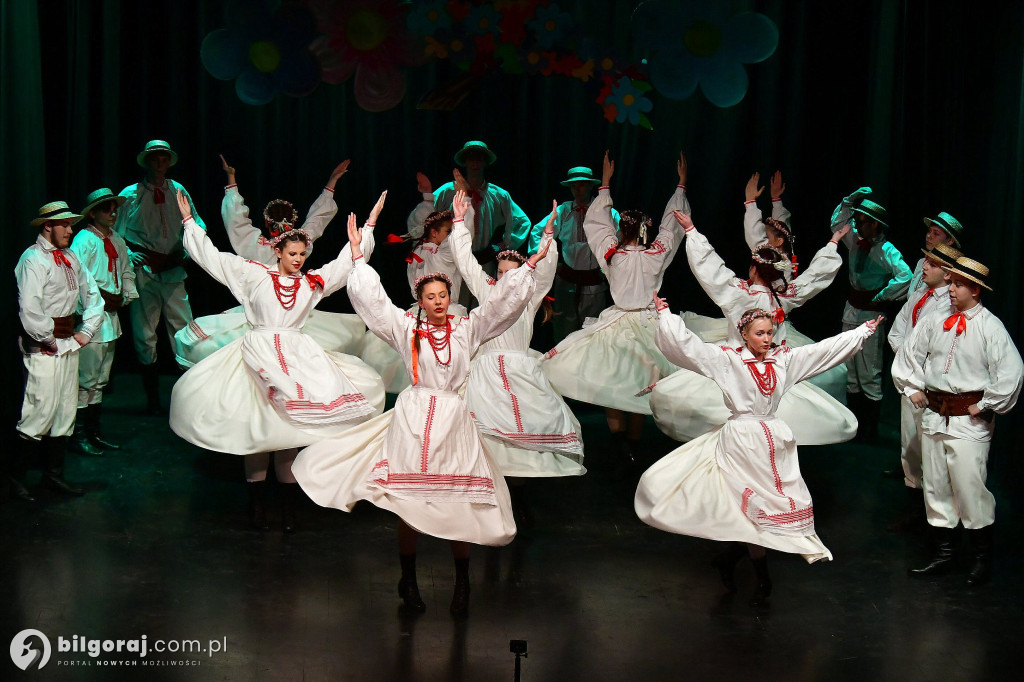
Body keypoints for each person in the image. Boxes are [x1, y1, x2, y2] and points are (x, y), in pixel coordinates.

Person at [292, 210, 550, 616]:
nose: (437, 303)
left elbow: (501, 306)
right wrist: (358, 257)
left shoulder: (467, 329)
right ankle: (408, 580)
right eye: (430, 297)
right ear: (420, 301)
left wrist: (527, 269)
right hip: (414, 418)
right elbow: (373, 303)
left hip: (452, 419)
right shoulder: (407, 330)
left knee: (457, 502)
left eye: (443, 296)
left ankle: (462, 581)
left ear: (450, 299)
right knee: (409, 503)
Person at [636, 302, 882, 605]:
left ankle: (733, 560)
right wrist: (666, 317)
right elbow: (690, 348)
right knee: (750, 506)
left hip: (773, 440)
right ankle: (762, 573)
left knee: (766, 507)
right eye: (760, 333)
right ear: (745, 335)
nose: (767, 339)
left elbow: (821, 353)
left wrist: (862, 331)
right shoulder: (728, 362)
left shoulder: (783, 362)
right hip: (740, 442)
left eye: (770, 333)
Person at [168, 191, 387, 531]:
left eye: (302, 254)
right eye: (293, 253)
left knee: (288, 434)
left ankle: (287, 508)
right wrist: (189, 224)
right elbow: (212, 258)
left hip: (296, 357)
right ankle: (255, 506)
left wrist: (368, 228)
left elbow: (345, 265)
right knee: (258, 430)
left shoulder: (311, 283)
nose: (299, 259)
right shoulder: (254, 274)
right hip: (257, 355)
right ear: (278, 252)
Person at [647, 212, 857, 446]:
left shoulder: (738, 294)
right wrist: (833, 243)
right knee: (772, 418)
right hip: (771, 370)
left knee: (724, 416)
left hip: (736, 368)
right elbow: (815, 277)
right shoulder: (784, 297)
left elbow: (711, 270)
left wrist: (691, 231)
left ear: (754, 270)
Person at [542, 151, 688, 464]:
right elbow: (671, 230)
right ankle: (630, 446)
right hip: (646, 324)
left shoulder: (612, 255)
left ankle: (622, 443)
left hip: (620, 324)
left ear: (623, 231)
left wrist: (606, 185)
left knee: (614, 383)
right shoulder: (655, 254)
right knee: (638, 385)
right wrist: (680, 189)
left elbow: (597, 226)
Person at [451, 194, 584, 524]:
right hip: (487, 369)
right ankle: (489, 492)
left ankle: (519, 494)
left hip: (520, 369)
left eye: (514, 272)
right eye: (502, 272)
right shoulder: (488, 291)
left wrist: (549, 235)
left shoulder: (529, 294)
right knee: (488, 434)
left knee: (522, 436)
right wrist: (458, 224)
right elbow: (466, 262)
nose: (507, 278)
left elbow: (547, 267)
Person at [892, 257, 1023, 586]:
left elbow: (1010, 373)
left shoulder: (989, 326)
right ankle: (944, 555)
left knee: (969, 487)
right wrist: (912, 387)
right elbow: (909, 352)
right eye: (950, 283)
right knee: (935, 486)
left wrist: (987, 403)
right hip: (935, 416)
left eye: (958, 285)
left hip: (967, 422)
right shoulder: (936, 319)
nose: (951, 289)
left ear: (975, 290)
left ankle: (981, 559)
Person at [173, 156, 366, 369]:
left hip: (292, 313)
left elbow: (236, 221)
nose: (296, 258)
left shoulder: (289, 244)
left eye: (299, 255)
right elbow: (315, 220)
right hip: (262, 312)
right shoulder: (262, 252)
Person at [11, 201, 104, 500]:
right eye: (64, 225)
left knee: (65, 411)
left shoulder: (71, 257)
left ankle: (54, 475)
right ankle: (15, 479)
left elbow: (93, 296)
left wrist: (86, 331)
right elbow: (30, 308)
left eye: (71, 224)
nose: (70, 229)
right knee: (39, 411)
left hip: (68, 347)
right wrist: (49, 339)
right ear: (47, 226)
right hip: (45, 349)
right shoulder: (33, 259)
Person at [117, 140, 206, 414]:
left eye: (163, 158)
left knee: (185, 329)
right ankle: (153, 399)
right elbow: (114, 231)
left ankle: (189, 396)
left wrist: (189, 251)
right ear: (147, 161)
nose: (159, 163)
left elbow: (197, 223)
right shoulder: (131, 194)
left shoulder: (177, 189)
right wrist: (129, 255)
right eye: (154, 158)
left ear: (168, 162)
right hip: (145, 272)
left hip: (173, 269)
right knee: (145, 334)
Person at [830, 189, 912, 441]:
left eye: (862, 221)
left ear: (874, 223)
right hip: (852, 309)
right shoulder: (855, 240)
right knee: (850, 369)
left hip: (870, 314)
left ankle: (870, 429)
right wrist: (847, 200)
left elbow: (905, 276)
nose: (856, 225)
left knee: (868, 371)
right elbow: (838, 224)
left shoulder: (887, 250)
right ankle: (852, 425)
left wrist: (883, 295)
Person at [884, 242, 961, 506]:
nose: (924, 267)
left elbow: (941, 351)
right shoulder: (919, 296)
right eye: (926, 261)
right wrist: (907, 365)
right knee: (910, 446)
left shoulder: (949, 306)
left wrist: (916, 367)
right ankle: (913, 507)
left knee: (933, 450)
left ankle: (935, 511)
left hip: (930, 389)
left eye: (932, 264)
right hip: (910, 383)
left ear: (948, 273)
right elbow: (897, 333)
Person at [68, 189, 138, 456]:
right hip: (91, 319)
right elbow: (76, 278)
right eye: (106, 209)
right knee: (85, 378)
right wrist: (97, 300)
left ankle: (94, 431)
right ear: (93, 213)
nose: (112, 213)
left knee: (99, 379)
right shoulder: (84, 240)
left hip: (110, 319)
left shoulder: (116, 239)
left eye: (113, 208)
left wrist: (125, 297)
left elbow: (127, 269)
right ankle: (78, 434)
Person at [539, 166, 620, 343]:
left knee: (592, 332)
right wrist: (549, 263)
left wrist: (609, 269)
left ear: (591, 186)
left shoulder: (606, 212)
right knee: (563, 331)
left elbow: (621, 240)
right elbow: (540, 232)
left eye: (582, 185)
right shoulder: (563, 211)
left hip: (594, 282)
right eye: (574, 185)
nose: (577, 189)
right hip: (567, 280)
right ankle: (560, 366)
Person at [432, 141, 532, 280]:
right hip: (453, 260)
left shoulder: (498, 195)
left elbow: (522, 221)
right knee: (455, 299)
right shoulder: (448, 190)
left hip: (484, 260)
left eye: (480, 157)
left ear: (485, 161)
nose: (475, 161)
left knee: (485, 298)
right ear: (465, 161)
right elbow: (426, 215)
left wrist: (503, 245)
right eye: (471, 157)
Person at [897, 212, 965, 299]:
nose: (929, 236)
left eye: (936, 233)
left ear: (950, 241)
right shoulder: (921, 262)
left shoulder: (951, 271)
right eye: (929, 231)